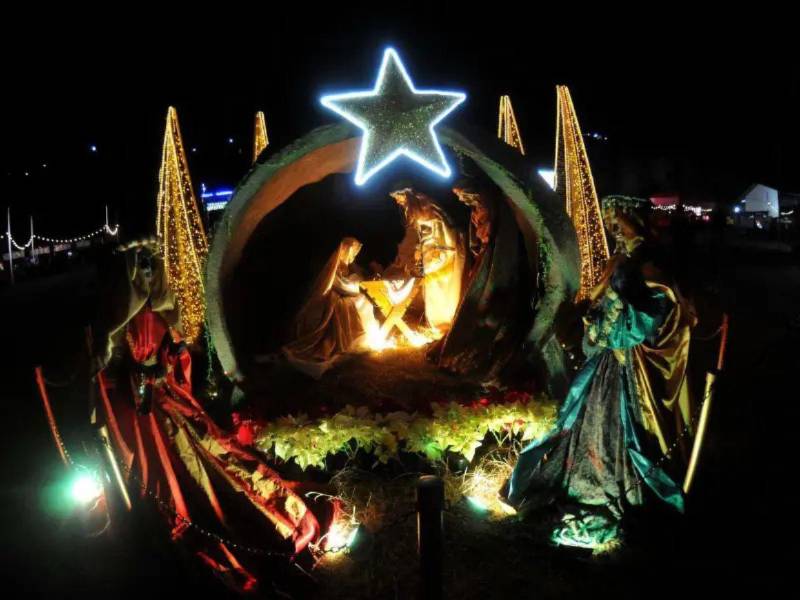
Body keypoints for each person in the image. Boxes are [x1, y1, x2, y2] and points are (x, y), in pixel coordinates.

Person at [506, 195, 696, 545]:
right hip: (609, 368)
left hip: (632, 373)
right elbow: (600, 309)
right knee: (587, 429)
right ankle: (586, 482)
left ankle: (625, 491)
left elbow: (629, 328)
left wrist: (597, 321)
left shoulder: (650, 268)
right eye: (610, 224)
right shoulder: (622, 263)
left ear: (636, 221)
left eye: (618, 221)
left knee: (623, 436)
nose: (613, 229)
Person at [283, 237, 377, 378]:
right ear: (344, 251)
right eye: (351, 252)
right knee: (348, 303)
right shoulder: (332, 266)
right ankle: (349, 339)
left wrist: (359, 283)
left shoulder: (344, 266)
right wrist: (359, 287)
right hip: (327, 298)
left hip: (341, 292)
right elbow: (340, 285)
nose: (352, 256)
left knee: (361, 301)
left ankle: (361, 335)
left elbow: (347, 282)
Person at [387, 188, 465, 335]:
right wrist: (420, 249)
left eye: (399, 197)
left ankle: (442, 325)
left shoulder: (428, 209)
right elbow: (423, 235)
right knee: (433, 292)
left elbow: (439, 233)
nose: (397, 201)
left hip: (441, 255)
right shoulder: (422, 211)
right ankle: (435, 324)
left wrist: (430, 253)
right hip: (432, 256)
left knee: (442, 292)